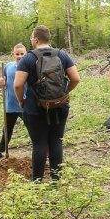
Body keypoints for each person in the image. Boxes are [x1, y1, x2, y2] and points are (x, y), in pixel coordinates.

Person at [14, 26, 80, 181]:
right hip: (59, 106)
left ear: (36, 39)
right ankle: (56, 180)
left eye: (31, 38)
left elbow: (17, 84)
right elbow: (76, 79)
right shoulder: (62, 55)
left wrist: (21, 100)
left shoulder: (28, 58)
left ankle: (37, 181)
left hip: (35, 107)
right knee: (56, 141)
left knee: (39, 143)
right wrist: (64, 93)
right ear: (48, 39)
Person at [0, 43, 27, 159]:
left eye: (22, 54)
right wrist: (2, 82)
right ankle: (0, 150)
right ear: (13, 54)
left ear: (26, 54)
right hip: (11, 104)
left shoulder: (29, 67)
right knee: (7, 129)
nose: (20, 56)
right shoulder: (8, 66)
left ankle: (41, 149)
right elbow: (5, 80)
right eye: (17, 54)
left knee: (33, 128)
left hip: (25, 104)